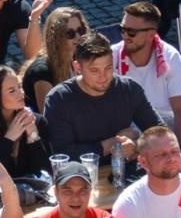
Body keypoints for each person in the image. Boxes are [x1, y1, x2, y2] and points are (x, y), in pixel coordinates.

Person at [43, 32, 161, 164]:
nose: (103, 77)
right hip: (80, 177)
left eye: (108, 68)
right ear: (77, 67)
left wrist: (136, 146)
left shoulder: (129, 89)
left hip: (124, 170)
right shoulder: (58, 100)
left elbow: (160, 132)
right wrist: (112, 144)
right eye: (94, 70)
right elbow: (62, 155)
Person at [111, 0, 181, 147]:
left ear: (151, 34)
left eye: (131, 32)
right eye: (122, 29)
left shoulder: (171, 56)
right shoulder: (112, 56)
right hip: (129, 126)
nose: (125, 36)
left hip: (166, 121)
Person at [0, 65, 50, 181]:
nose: (21, 93)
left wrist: (32, 136)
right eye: (12, 91)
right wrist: (9, 139)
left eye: (20, 87)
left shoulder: (38, 121)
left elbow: (45, 173)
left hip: (35, 193)